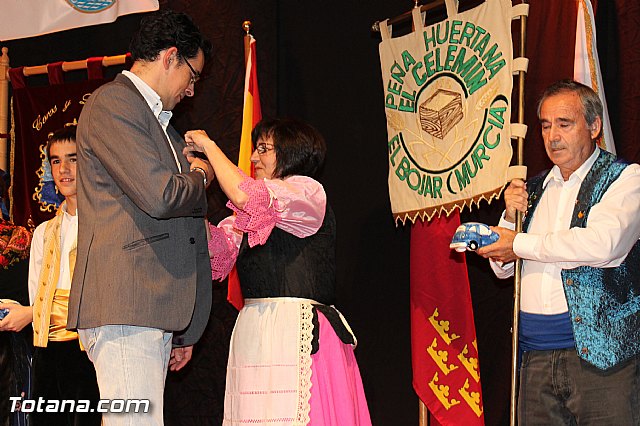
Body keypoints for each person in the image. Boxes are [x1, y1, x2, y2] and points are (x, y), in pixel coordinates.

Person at [66, 10, 214, 425]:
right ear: (170, 57)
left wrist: (180, 328)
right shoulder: (113, 104)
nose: (191, 89)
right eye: (193, 75)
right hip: (126, 304)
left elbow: (179, 226)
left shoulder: (162, 126)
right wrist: (201, 176)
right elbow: (162, 196)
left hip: (152, 309)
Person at [184, 118, 371, 425]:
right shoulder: (249, 215)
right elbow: (217, 252)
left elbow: (247, 195)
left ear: (293, 151)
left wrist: (210, 148)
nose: (253, 158)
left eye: (264, 149)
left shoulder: (307, 194)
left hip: (298, 334)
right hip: (255, 333)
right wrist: (190, 203)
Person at [478, 79, 640, 425]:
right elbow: (504, 271)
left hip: (601, 359)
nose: (552, 136)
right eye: (546, 125)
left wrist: (518, 243)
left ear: (594, 126)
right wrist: (508, 220)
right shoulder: (533, 189)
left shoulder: (625, 179)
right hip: (534, 358)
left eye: (564, 124)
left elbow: (603, 245)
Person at [1, 125, 101, 425]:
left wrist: (32, 313)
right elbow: (37, 293)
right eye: (56, 161)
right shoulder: (44, 232)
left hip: (90, 350)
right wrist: (27, 311)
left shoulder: (104, 227)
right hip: (47, 353)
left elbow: (95, 298)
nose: (64, 169)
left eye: (73, 159)